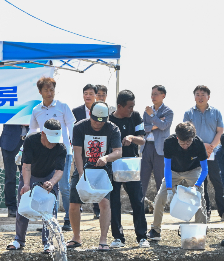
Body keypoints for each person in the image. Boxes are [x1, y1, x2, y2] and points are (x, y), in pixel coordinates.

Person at [67, 102, 122, 251]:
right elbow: (77, 152)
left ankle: (103, 239)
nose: (98, 125)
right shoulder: (79, 127)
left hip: (102, 171)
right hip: (83, 168)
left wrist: (106, 158)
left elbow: (118, 152)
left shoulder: (112, 129)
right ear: (90, 115)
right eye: (95, 121)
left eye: (101, 122)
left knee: (104, 203)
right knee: (74, 204)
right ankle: (76, 237)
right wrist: (80, 174)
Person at [7, 119, 66, 253]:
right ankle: (19, 240)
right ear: (43, 134)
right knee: (23, 206)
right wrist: (26, 184)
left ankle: (48, 242)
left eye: (55, 140)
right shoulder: (31, 140)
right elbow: (26, 165)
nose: (52, 143)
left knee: (49, 210)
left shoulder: (61, 147)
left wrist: (52, 182)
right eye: (50, 139)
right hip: (30, 174)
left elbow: (59, 171)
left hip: (49, 176)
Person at [27, 77, 75, 232]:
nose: (50, 93)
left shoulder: (63, 106)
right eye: (46, 90)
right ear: (40, 92)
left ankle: (68, 220)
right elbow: (32, 131)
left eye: (52, 89)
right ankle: (48, 220)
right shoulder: (36, 110)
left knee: (64, 186)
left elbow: (71, 127)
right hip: (44, 154)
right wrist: (24, 150)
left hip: (63, 151)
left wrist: (74, 147)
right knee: (46, 187)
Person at [148, 122, 208, 240]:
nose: (185, 145)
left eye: (188, 142)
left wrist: (196, 186)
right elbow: (167, 167)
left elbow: (205, 169)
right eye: (182, 142)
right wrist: (169, 189)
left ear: (193, 138)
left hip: (193, 170)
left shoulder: (198, 143)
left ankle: (201, 231)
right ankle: (155, 230)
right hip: (174, 171)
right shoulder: (169, 142)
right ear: (177, 138)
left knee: (199, 198)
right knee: (161, 196)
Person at [108, 90, 149, 248]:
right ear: (119, 106)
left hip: (131, 165)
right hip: (113, 165)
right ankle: (118, 237)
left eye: (133, 106)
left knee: (137, 201)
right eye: (129, 107)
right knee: (114, 202)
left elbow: (142, 140)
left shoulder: (136, 116)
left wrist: (132, 138)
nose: (132, 109)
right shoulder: (109, 120)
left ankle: (141, 236)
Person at [182, 85, 224, 220]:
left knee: (219, 183)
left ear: (208, 97)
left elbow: (220, 131)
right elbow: (187, 133)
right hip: (196, 154)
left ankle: (222, 212)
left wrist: (211, 146)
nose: (200, 97)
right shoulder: (189, 113)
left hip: (214, 152)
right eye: (197, 94)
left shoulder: (216, 112)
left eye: (203, 94)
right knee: (201, 185)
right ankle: (206, 213)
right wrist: (202, 146)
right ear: (194, 97)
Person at [141, 85, 173, 203]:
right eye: (152, 94)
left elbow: (164, 126)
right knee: (143, 178)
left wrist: (152, 116)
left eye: (155, 94)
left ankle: (161, 205)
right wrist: (156, 124)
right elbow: (144, 128)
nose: (152, 96)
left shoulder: (168, 111)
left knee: (160, 178)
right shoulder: (147, 110)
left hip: (160, 148)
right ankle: (140, 204)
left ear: (163, 96)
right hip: (146, 146)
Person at [73, 84, 100, 219]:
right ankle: (79, 204)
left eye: (90, 93)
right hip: (80, 149)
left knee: (95, 177)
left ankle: (97, 208)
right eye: (85, 93)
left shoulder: (101, 110)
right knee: (80, 175)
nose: (88, 96)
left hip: (96, 149)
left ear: (96, 95)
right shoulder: (76, 111)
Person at [0, 124, 27, 217]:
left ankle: (26, 206)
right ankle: (11, 207)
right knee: (10, 176)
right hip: (9, 142)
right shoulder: (11, 108)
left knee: (27, 176)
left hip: (28, 141)